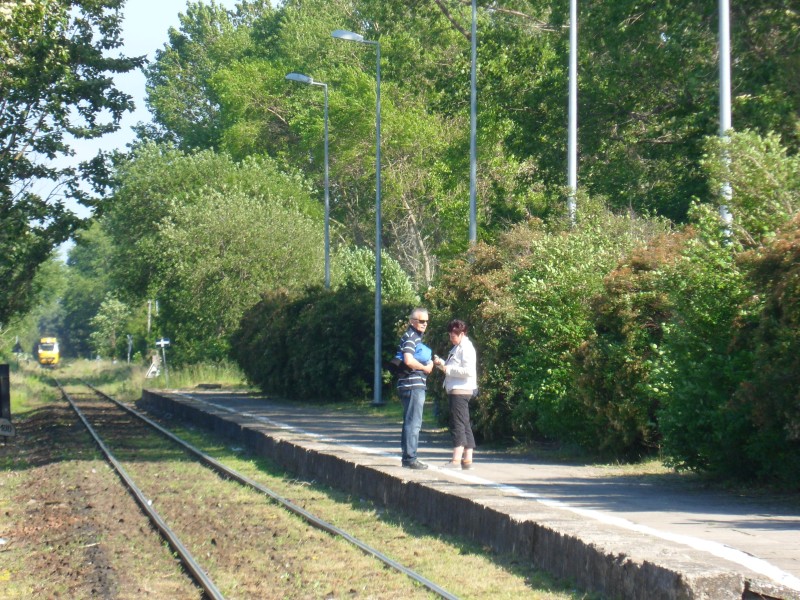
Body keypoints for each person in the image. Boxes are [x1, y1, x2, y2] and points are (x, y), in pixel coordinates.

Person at [433, 319, 478, 470]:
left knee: (457, 424)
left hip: (461, 390)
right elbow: (450, 368)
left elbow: (468, 371)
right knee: (464, 423)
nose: (451, 338)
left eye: (453, 335)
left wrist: (447, 369)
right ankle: (467, 459)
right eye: (450, 335)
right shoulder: (458, 347)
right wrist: (441, 365)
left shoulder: (466, 348)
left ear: (462, 334)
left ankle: (456, 460)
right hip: (458, 389)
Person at [397, 307, 434, 469]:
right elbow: (408, 360)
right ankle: (410, 458)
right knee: (414, 422)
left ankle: (408, 456)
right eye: (421, 321)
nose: (424, 324)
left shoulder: (413, 337)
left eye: (426, 321)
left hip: (410, 384)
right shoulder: (411, 337)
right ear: (412, 321)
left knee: (409, 421)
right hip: (413, 385)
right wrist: (425, 368)